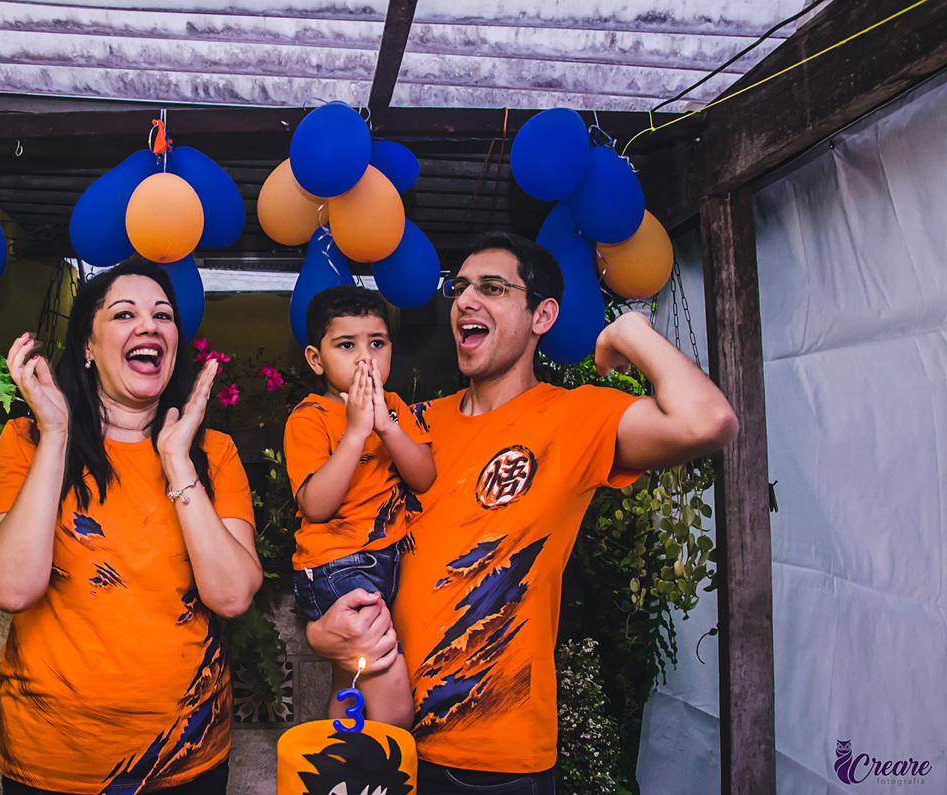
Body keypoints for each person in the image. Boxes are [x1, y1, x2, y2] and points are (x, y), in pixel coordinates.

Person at [306, 232, 739, 794]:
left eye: (492, 288)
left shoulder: (573, 419)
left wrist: (632, 333)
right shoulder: (406, 424)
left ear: (543, 315)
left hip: (492, 764)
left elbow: (707, 421)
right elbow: (344, 549)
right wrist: (322, 635)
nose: (465, 300)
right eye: (459, 287)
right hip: (378, 744)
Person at [0, 259, 262, 795]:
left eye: (163, 315)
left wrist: (178, 461)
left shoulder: (213, 454)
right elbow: (13, 588)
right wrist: (57, 432)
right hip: (52, 758)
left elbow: (232, 597)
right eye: (124, 314)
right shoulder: (26, 442)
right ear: (88, 346)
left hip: (186, 756)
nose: (149, 326)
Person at [284, 285, 436, 728]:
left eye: (377, 343)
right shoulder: (310, 417)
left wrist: (385, 428)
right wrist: (355, 433)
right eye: (346, 345)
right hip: (336, 567)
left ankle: (338, 771)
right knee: (393, 706)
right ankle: (382, 778)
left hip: (384, 561)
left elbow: (423, 476)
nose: (365, 358)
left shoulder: (394, 408)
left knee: (350, 685)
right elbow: (316, 506)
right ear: (316, 359)